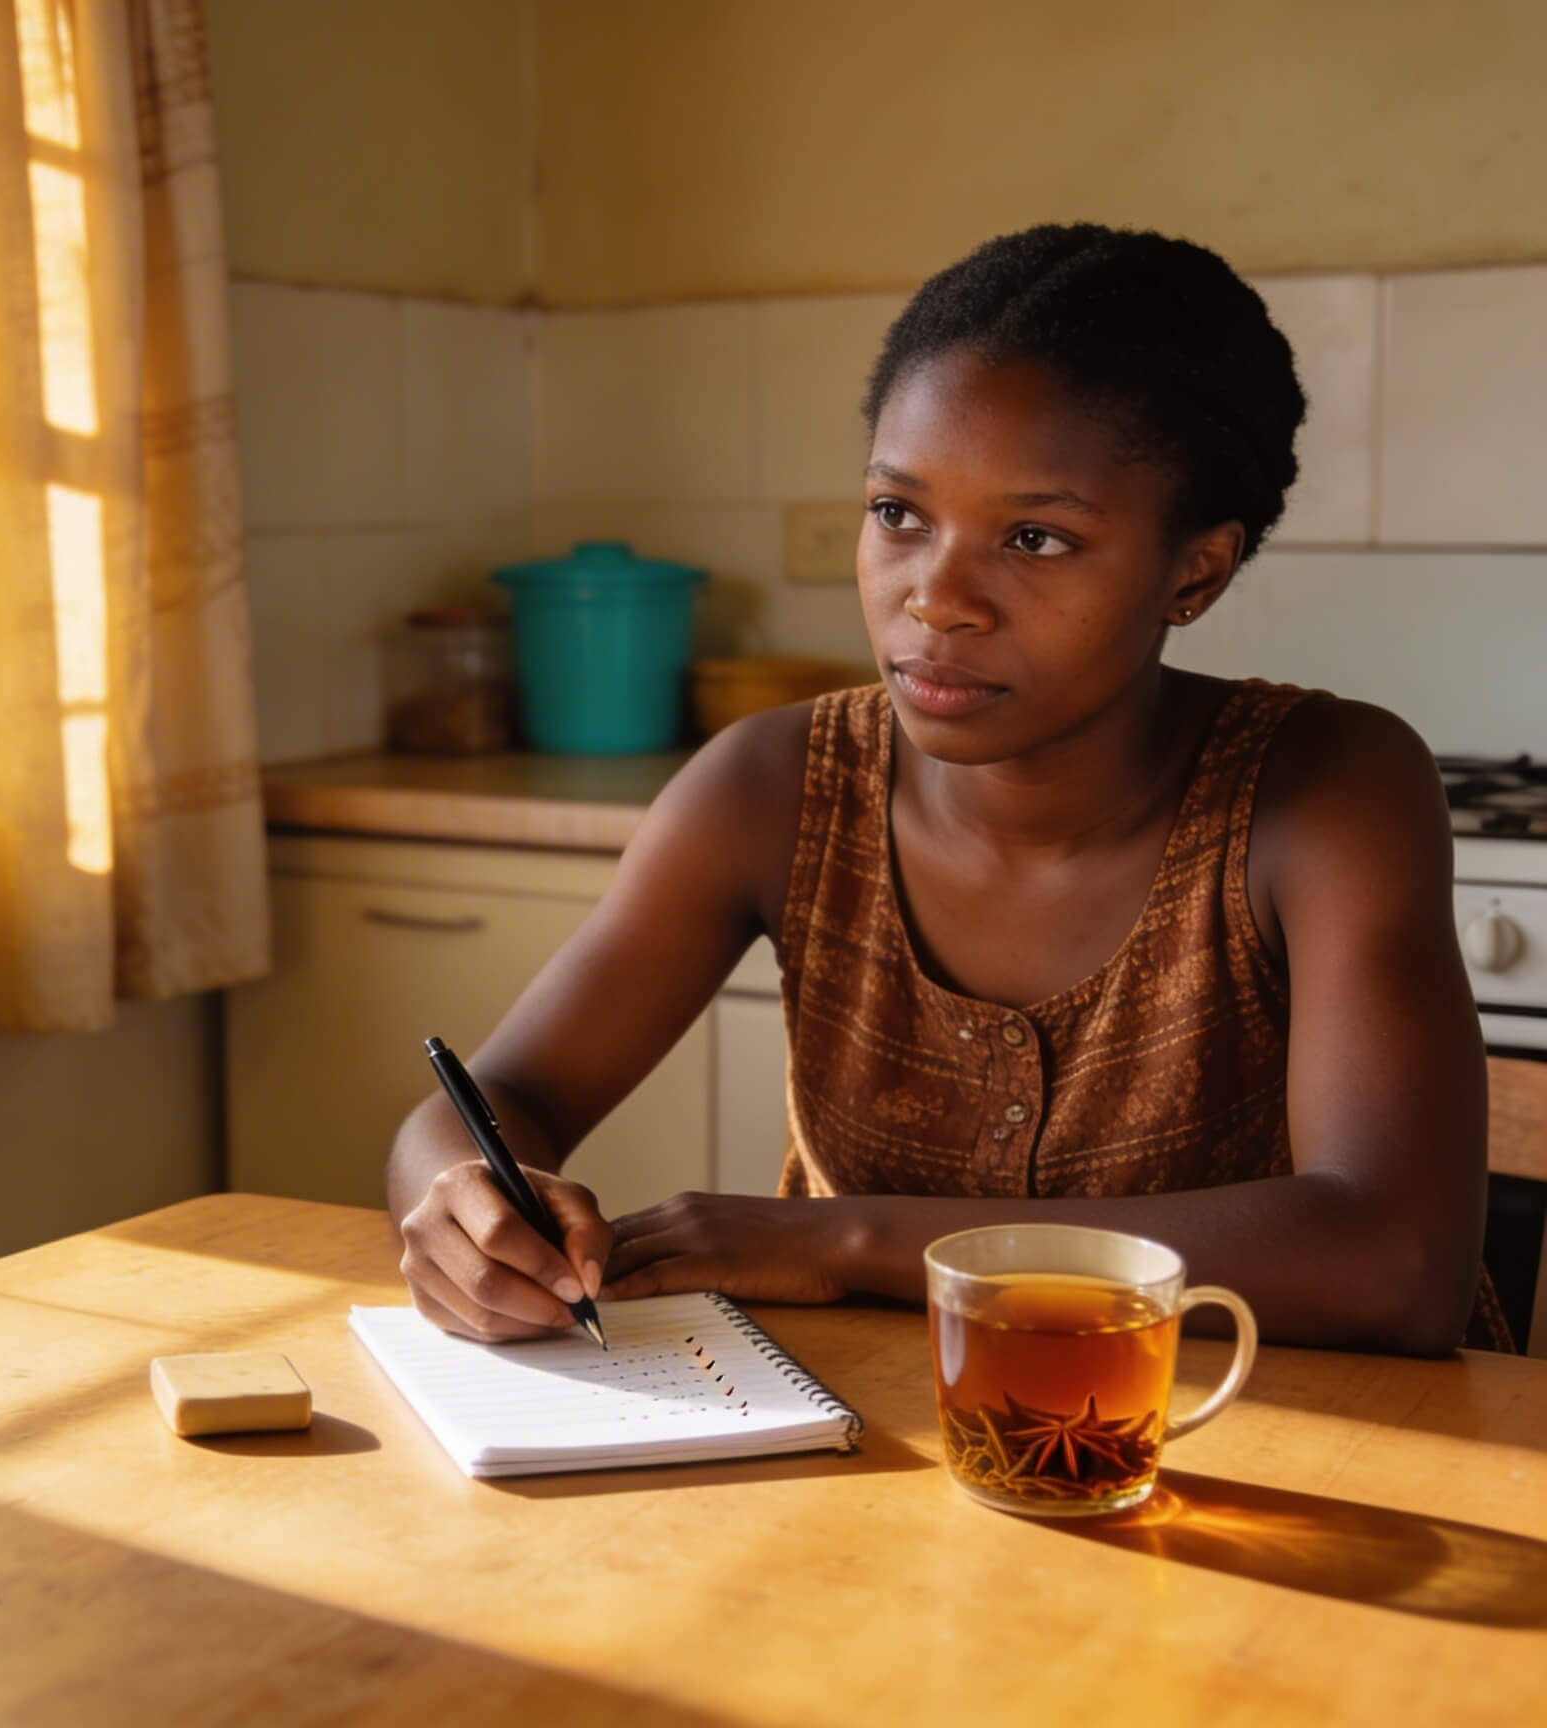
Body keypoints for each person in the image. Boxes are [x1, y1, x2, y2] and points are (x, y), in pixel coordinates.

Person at [386, 222, 1502, 1358]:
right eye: (898, 515)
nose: (936, 598)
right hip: (905, 1452)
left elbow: (1394, 1261)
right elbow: (492, 1095)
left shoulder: (1325, 791)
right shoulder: (773, 788)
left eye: (1035, 537)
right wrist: (468, 1199)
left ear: (1195, 571)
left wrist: (851, 1241)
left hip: (1302, 1460)